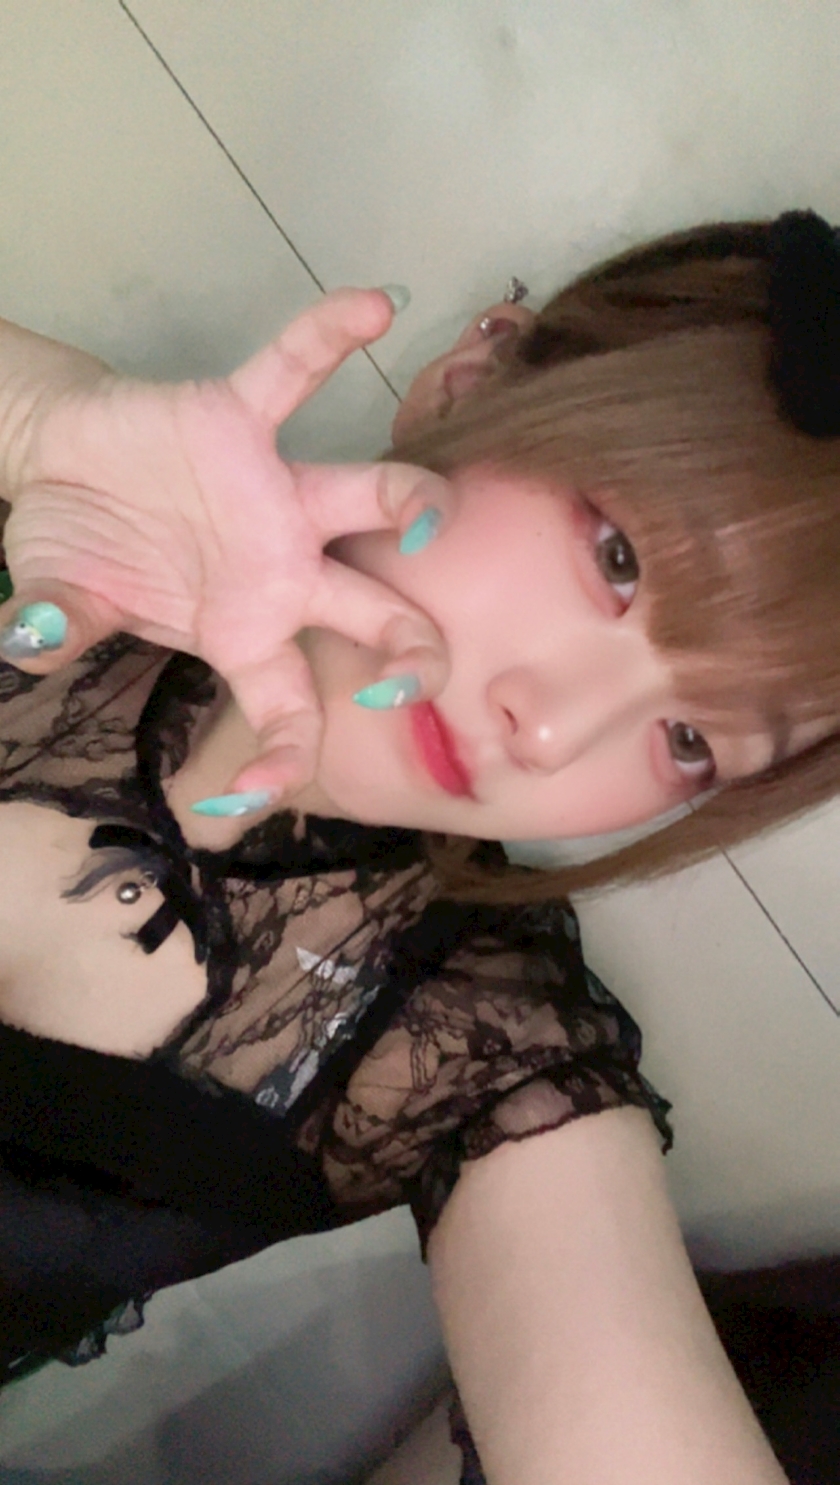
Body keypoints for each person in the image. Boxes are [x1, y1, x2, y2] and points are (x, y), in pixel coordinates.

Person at [1, 209, 838, 1484]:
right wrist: (37, 419)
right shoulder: (67, 488)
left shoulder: (468, 1044)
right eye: (618, 559)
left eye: (689, 741)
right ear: (473, 376)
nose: (550, 730)